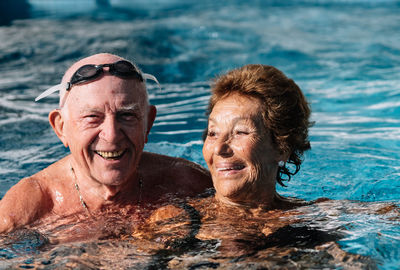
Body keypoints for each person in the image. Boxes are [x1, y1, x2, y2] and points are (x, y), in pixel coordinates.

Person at [0, 53, 212, 234]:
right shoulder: (31, 206)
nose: (111, 135)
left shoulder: (188, 184)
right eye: (92, 117)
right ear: (61, 127)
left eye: (127, 115)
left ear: (148, 123)